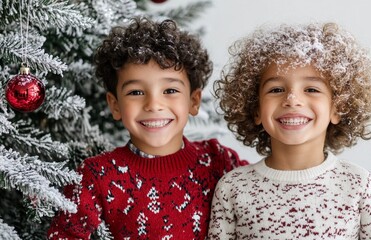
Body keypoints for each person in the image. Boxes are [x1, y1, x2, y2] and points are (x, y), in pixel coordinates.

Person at [47, 17, 246, 239]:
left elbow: (269, 193)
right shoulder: (97, 176)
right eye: (136, 92)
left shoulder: (219, 162)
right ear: (115, 105)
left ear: (194, 101)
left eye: (170, 91)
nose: (153, 105)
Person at [208, 22, 371, 239]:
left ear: (338, 107)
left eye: (311, 89)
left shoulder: (359, 185)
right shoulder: (233, 188)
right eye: (276, 89)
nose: (292, 100)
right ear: (255, 108)